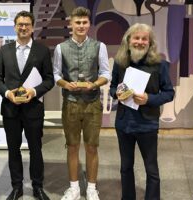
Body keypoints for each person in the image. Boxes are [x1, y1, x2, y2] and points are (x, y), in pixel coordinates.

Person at [109, 23, 175, 200]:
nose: (139, 42)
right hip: (124, 124)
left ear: (150, 42)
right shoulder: (120, 62)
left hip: (147, 124)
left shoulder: (159, 64)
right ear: (128, 40)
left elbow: (169, 93)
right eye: (136, 38)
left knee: (151, 169)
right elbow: (112, 87)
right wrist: (116, 93)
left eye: (144, 38)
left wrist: (149, 99)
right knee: (125, 167)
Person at [0, 10, 54, 200]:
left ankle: (37, 186)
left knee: (36, 149)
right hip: (10, 109)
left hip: (33, 109)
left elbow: (49, 80)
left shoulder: (42, 50)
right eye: (20, 24)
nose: (23, 27)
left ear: (32, 27)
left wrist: (34, 92)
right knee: (13, 149)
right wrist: (7, 92)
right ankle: (17, 186)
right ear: (14, 27)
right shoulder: (5, 50)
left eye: (27, 24)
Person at [53, 7, 110, 200]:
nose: (81, 26)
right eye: (77, 22)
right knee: (72, 146)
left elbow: (105, 73)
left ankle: (92, 188)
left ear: (89, 24)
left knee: (92, 146)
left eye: (84, 22)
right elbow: (56, 74)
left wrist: (93, 84)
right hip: (70, 103)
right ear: (71, 24)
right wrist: (65, 84)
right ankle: (74, 188)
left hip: (92, 103)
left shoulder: (99, 46)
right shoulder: (61, 48)